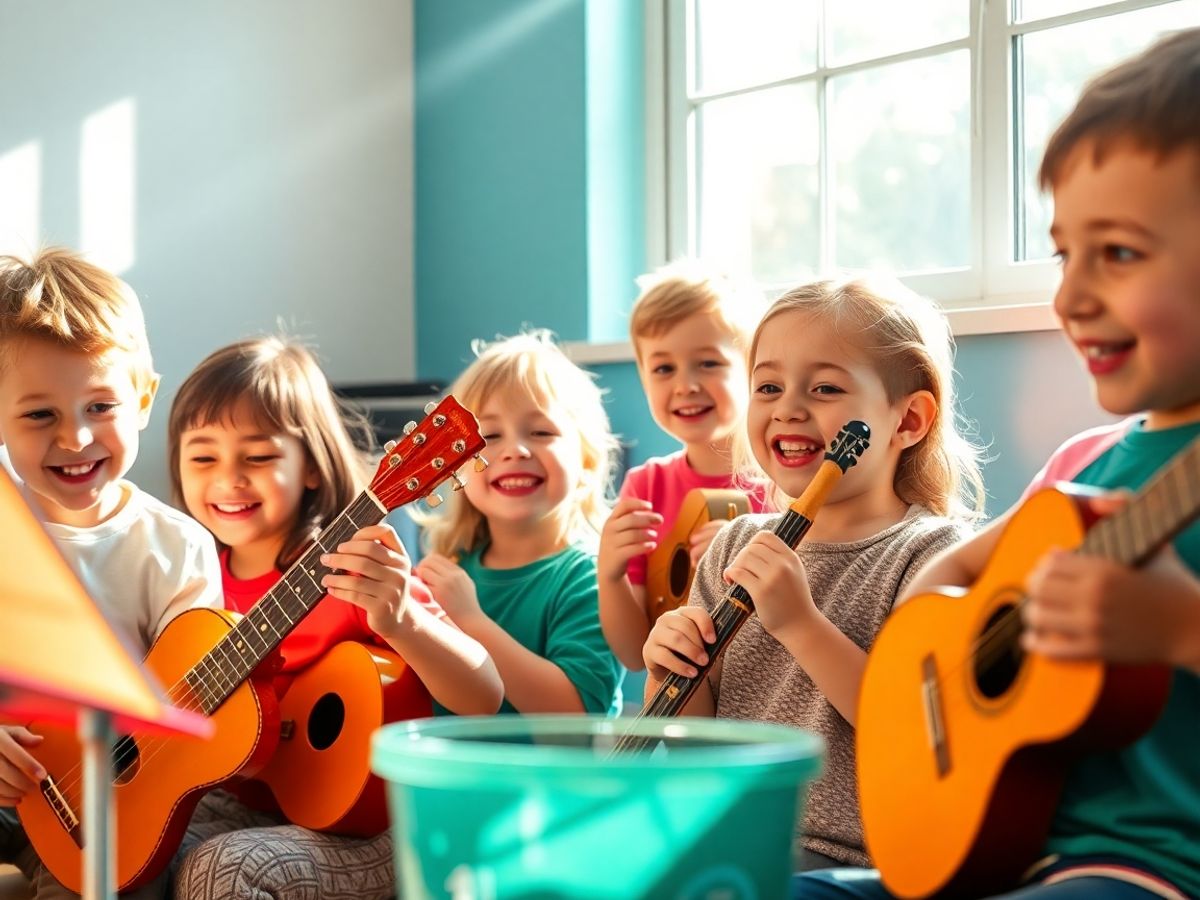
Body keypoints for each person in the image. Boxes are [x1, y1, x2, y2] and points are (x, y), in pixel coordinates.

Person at [794, 27, 1200, 900]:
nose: (1071, 296)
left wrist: (1180, 629)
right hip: (1008, 852)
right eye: (1063, 253)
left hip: (1157, 870)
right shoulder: (1092, 462)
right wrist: (965, 646)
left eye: (1119, 253)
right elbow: (943, 578)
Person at [643, 276, 985, 870]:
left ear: (908, 421)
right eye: (768, 386)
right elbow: (691, 750)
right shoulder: (734, 546)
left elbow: (909, 727)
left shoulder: (933, 554)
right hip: (720, 842)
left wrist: (800, 622)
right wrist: (667, 671)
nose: (788, 409)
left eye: (825, 388)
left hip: (845, 859)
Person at [166, 335, 503, 900]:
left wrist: (403, 622)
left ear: (313, 468)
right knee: (119, 847)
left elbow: (483, 693)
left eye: (259, 455)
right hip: (242, 803)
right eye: (204, 456)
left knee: (220, 869)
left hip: (371, 828)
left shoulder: (352, 570)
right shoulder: (190, 581)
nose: (228, 478)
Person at [0, 248, 223, 900]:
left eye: (100, 407)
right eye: (40, 415)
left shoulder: (176, 546)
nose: (75, 440)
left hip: (101, 807)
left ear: (145, 398)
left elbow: (191, 697)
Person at [412, 330, 625, 716]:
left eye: (541, 432)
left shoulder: (590, 578)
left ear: (588, 460)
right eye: (489, 435)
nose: (515, 450)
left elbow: (575, 719)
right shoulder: (449, 572)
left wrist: (470, 620)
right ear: (455, 466)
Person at [598, 264, 770, 670]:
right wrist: (610, 576)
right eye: (663, 368)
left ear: (752, 368)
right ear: (643, 378)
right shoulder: (645, 486)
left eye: (708, 363)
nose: (685, 385)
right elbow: (633, 654)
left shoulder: (783, 484)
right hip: (681, 712)